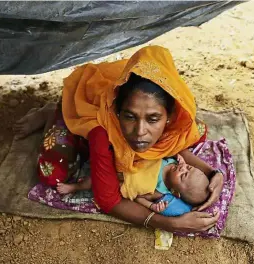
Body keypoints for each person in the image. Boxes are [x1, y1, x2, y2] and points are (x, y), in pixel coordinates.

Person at [14, 45, 224, 233]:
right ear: (116, 112)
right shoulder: (102, 131)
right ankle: (56, 110)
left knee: (197, 131)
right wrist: (169, 224)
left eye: (153, 119)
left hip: (132, 88)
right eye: (130, 116)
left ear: (168, 118)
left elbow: (174, 149)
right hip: (87, 108)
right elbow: (108, 200)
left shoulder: (175, 122)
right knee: (52, 174)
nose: (140, 131)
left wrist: (214, 173)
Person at [134, 154, 210, 216]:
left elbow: (138, 198)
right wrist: (176, 155)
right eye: (188, 167)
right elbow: (163, 151)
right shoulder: (175, 162)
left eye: (183, 175)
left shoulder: (159, 191)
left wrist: (151, 206)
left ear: (174, 192)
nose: (183, 168)